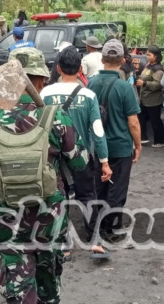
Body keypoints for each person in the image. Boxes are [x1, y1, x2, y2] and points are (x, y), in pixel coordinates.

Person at [0, 55, 87, 303]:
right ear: (41, 80)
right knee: (48, 272)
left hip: (7, 216)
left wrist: (3, 186)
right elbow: (80, 162)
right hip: (50, 214)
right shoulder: (56, 118)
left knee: (16, 278)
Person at [40, 46, 113, 258]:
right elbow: (98, 132)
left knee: (58, 198)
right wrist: (105, 162)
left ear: (59, 68)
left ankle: (65, 244)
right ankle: (95, 241)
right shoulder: (88, 95)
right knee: (89, 196)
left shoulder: (44, 94)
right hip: (81, 157)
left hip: (54, 159)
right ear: (80, 68)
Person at [87, 39, 142, 243]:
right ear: (121, 60)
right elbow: (133, 122)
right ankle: (109, 229)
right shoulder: (124, 87)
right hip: (119, 146)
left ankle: (95, 226)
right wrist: (138, 145)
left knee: (98, 187)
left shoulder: (90, 84)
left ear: (102, 59)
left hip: (96, 147)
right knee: (116, 188)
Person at [135, 45, 164, 148]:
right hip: (144, 99)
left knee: (155, 121)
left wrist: (144, 83)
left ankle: (161, 140)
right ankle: (143, 137)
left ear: (156, 56)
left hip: (153, 100)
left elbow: (158, 85)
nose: (147, 56)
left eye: (149, 55)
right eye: (146, 54)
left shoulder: (158, 69)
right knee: (141, 118)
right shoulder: (148, 66)